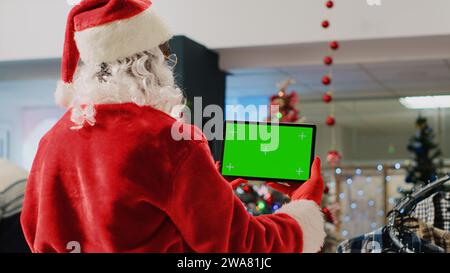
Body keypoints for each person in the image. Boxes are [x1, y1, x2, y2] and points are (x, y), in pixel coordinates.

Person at [21, 0, 326, 253]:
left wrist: (208, 194)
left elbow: (34, 228)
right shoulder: (169, 140)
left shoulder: (52, 141)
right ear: (149, 64)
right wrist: (304, 209)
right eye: (164, 56)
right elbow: (240, 248)